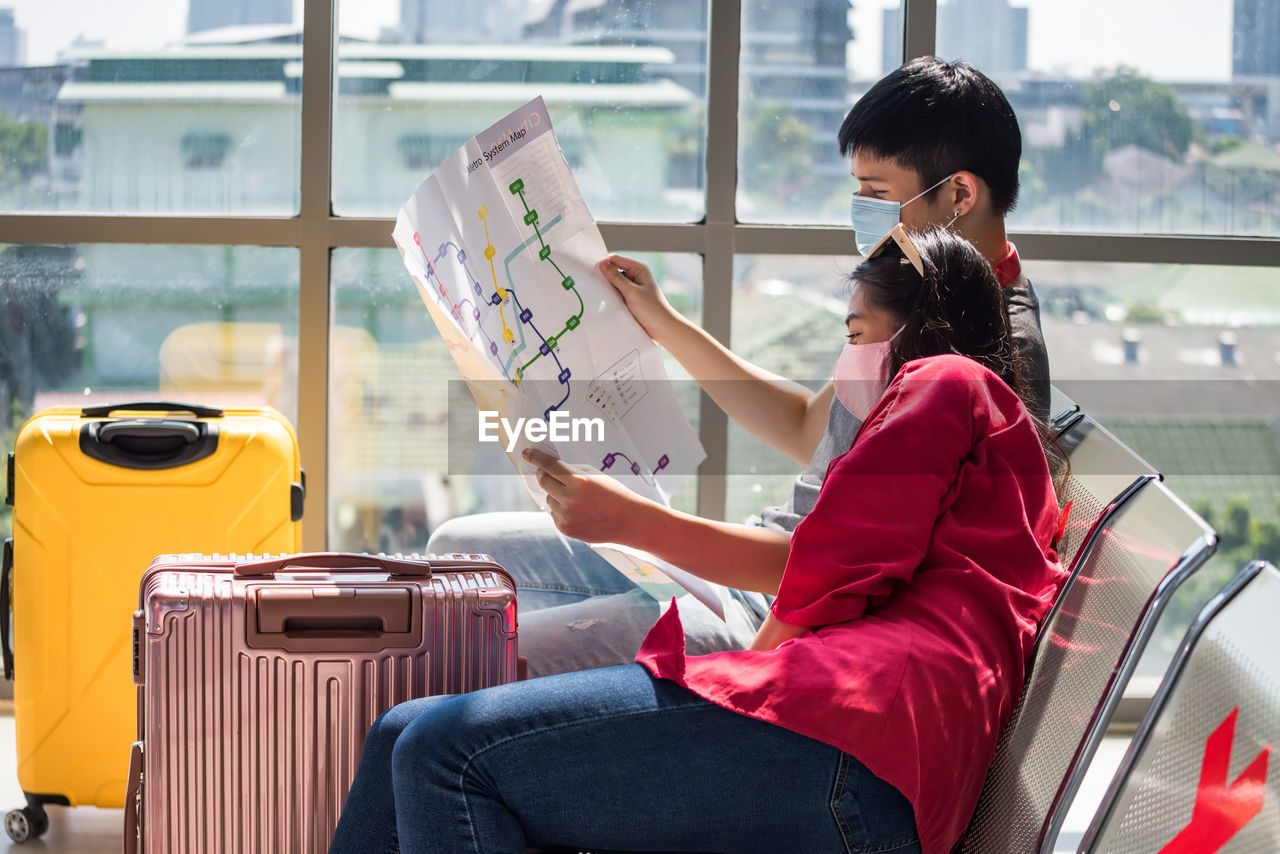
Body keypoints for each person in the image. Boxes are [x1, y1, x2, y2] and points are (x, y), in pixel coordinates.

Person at [328, 226, 1068, 854]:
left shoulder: (944, 380)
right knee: (402, 734)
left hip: (859, 749)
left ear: (916, 328)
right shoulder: (994, 432)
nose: (848, 360)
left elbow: (830, 571)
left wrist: (725, 657)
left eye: (857, 333)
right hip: (865, 748)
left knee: (442, 755)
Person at [426, 56, 1051, 676]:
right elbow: (811, 427)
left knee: (468, 650)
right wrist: (665, 325)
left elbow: (840, 566)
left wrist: (637, 523)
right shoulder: (928, 291)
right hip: (757, 566)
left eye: (878, 195)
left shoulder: (980, 354)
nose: (861, 213)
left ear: (959, 195)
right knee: (459, 556)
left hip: (781, 614)